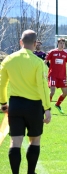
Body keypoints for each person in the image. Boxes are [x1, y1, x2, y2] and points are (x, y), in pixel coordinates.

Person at [0, 29, 51, 174]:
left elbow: (2, 84)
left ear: (20, 42)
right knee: (34, 141)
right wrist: (47, 108)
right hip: (33, 106)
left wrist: (3, 103)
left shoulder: (8, 60)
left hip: (15, 105)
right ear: (35, 44)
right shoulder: (38, 62)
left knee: (14, 142)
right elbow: (42, 87)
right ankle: (30, 172)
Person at [44, 38, 67, 114]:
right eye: (60, 43)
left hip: (62, 76)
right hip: (53, 75)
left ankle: (57, 104)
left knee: (65, 93)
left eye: (63, 44)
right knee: (52, 92)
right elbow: (45, 61)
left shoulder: (65, 54)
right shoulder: (52, 52)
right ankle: (46, 107)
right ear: (58, 44)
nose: (62, 45)